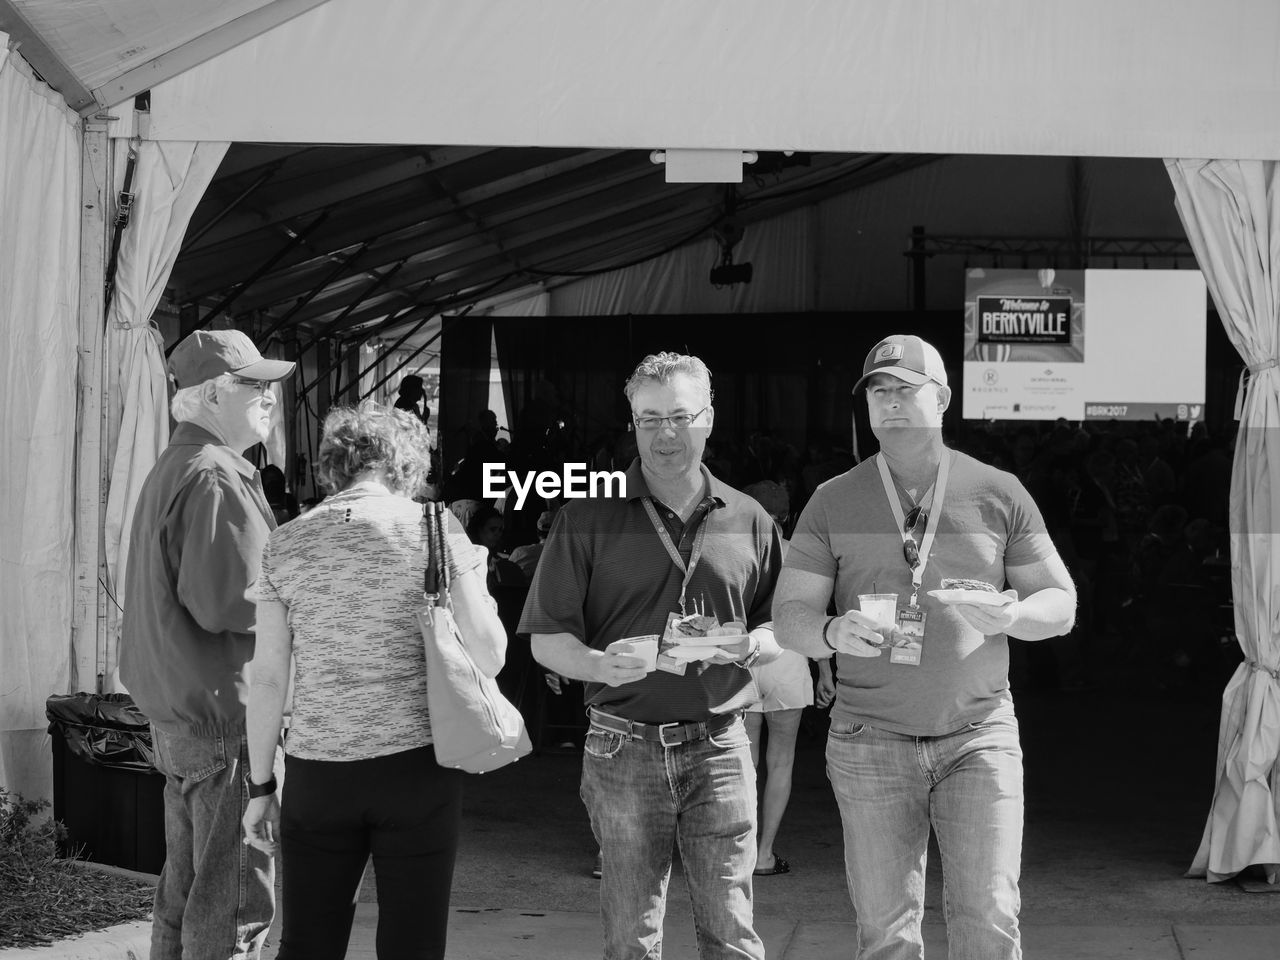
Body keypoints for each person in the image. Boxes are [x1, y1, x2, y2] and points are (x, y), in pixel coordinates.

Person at [775, 334, 1076, 960]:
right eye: (878, 392)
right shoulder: (833, 498)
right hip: (868, 738)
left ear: (942, 399)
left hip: (979, 733)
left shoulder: (999, 491)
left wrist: (1013, 613)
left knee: (989, 919)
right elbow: (789, 617)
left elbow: (1061, 605)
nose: (890, 403)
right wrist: (830, 632)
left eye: (904, 390)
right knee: (885, 932)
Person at [519, 351, 785, 960]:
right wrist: (596, 664)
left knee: (732, 936)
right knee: (631, 939)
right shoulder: (585, 514)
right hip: (622, 746)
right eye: (649, 418)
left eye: (681, 416)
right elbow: (545, 638)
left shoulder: (750, 518)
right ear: (632, 421)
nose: (666, 433)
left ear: (709, 419)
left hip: (721, 741)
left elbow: (781, 625)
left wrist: (755, 644)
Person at [240, 401, 506, 960]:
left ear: (334, 467)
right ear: (408, 467)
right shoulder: (436, 529)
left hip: (317, 772)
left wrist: (262, 786)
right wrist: (475, 574)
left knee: (308, 943)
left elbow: (266, 677)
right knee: (413, 943)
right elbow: (491, 655)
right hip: (417, 769)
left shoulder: (287, 541)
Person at [119, 328, 295, 960]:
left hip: (185, 713)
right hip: (226, 718)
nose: (271, 396)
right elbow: (231, 601)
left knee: (187, 894)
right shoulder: (214, 475)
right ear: (215, 395)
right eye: (257, 384)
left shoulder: (181, 465)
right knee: (232, 908)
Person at [739, 480, 821, 878]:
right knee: (781, 761)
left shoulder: (733, 551)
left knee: (743, 764)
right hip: (788, 659)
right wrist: (825, 671)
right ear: (787, 517)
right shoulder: (801, 556)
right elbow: (816, 615)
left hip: (743, 659)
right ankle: (764, 854)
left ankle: (737, 850)